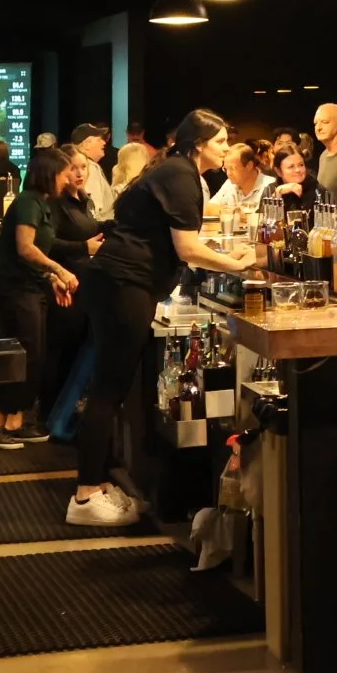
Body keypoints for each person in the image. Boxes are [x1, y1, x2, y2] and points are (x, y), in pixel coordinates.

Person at [70, 110, 255, 527]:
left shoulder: (180, 172)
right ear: (199, 144)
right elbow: (188, 249)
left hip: (121, 281)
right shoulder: (181, 175)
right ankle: (85, 495)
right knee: (108, 388)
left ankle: (96, 485)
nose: (226, 149)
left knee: (110, 385)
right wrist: (235, 265)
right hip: (123, 282)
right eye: (221, 141)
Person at [0, 146, 81, 450]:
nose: (70, 179)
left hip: (29, 287)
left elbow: (32, 255)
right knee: (29, 355)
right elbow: (25, 249)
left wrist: (50, 279)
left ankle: (9, 421)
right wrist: (59, 271)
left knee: (33, 355)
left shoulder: (42, 204)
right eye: (66, 174)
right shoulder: (28, 203)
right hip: (14, 289)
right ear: (50, 174)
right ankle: (0, 421)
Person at [206, 143, 277, 216]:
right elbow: (209, 208)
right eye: (225, 169)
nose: (228, 173)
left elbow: (268, 218)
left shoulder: (269, 185)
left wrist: (226, 210)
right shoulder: (229, 183)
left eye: (232, 168)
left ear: (249, 165)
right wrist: (236, 212)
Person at [69, 123, 116, 222]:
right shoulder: (90, 168)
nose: (104, 142)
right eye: (99, 139)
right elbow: (93, 210)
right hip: (99, 232)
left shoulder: (72, 165)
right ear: (87, 144)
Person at [271, 147, 313, 212]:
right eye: (291, 167)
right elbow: (264, 219)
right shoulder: (270, 189)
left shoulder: (316, 190)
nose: (297, 170)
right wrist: (278, 193)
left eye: (301, 165)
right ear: (278, 171)